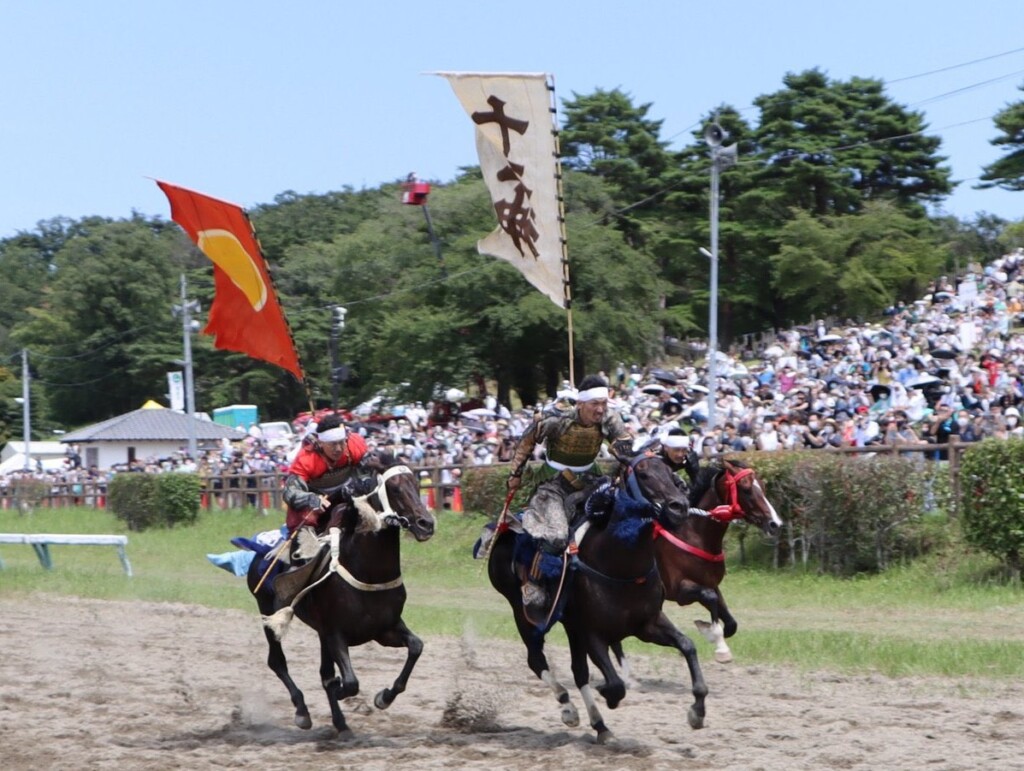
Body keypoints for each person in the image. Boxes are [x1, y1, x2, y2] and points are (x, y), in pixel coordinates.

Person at [505, 374, 634, 616]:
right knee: (557, 535)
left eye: (604, 404)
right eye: (595, 404)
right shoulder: (558, 420)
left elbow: (623, 442)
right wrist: (516, 473)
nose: (600, 409)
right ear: (581, 404)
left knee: (623, 521)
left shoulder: (609, 419)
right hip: (553, 483)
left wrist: (625, 454)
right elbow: (527, 440)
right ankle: (533, 582)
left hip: (592, 480)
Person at [282, 413, 368, 536]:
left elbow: (370, 471)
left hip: (349, 493)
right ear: (321, 443)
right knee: (305, 522)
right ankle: (300, 551)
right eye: (333, 444)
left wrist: (365, 481)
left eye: (341, 443)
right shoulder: (306, 459)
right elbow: (289, 492)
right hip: (318, 502)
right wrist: (311, 499)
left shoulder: (354, 446)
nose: (338, 449)